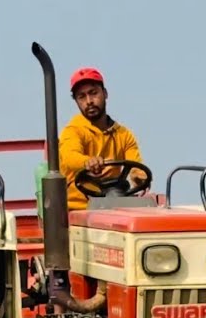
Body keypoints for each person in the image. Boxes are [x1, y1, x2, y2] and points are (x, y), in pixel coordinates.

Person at [58, 66, 149, 211]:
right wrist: (87, 162)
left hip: (112, 205)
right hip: (78, 212)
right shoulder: (73, 131)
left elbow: (135, 165)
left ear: (105, 94)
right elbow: (69, 157)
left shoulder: (124, 135)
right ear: (76, 101)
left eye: (93, 93)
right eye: (82, 97)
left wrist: (139, 177)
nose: (89, 101)